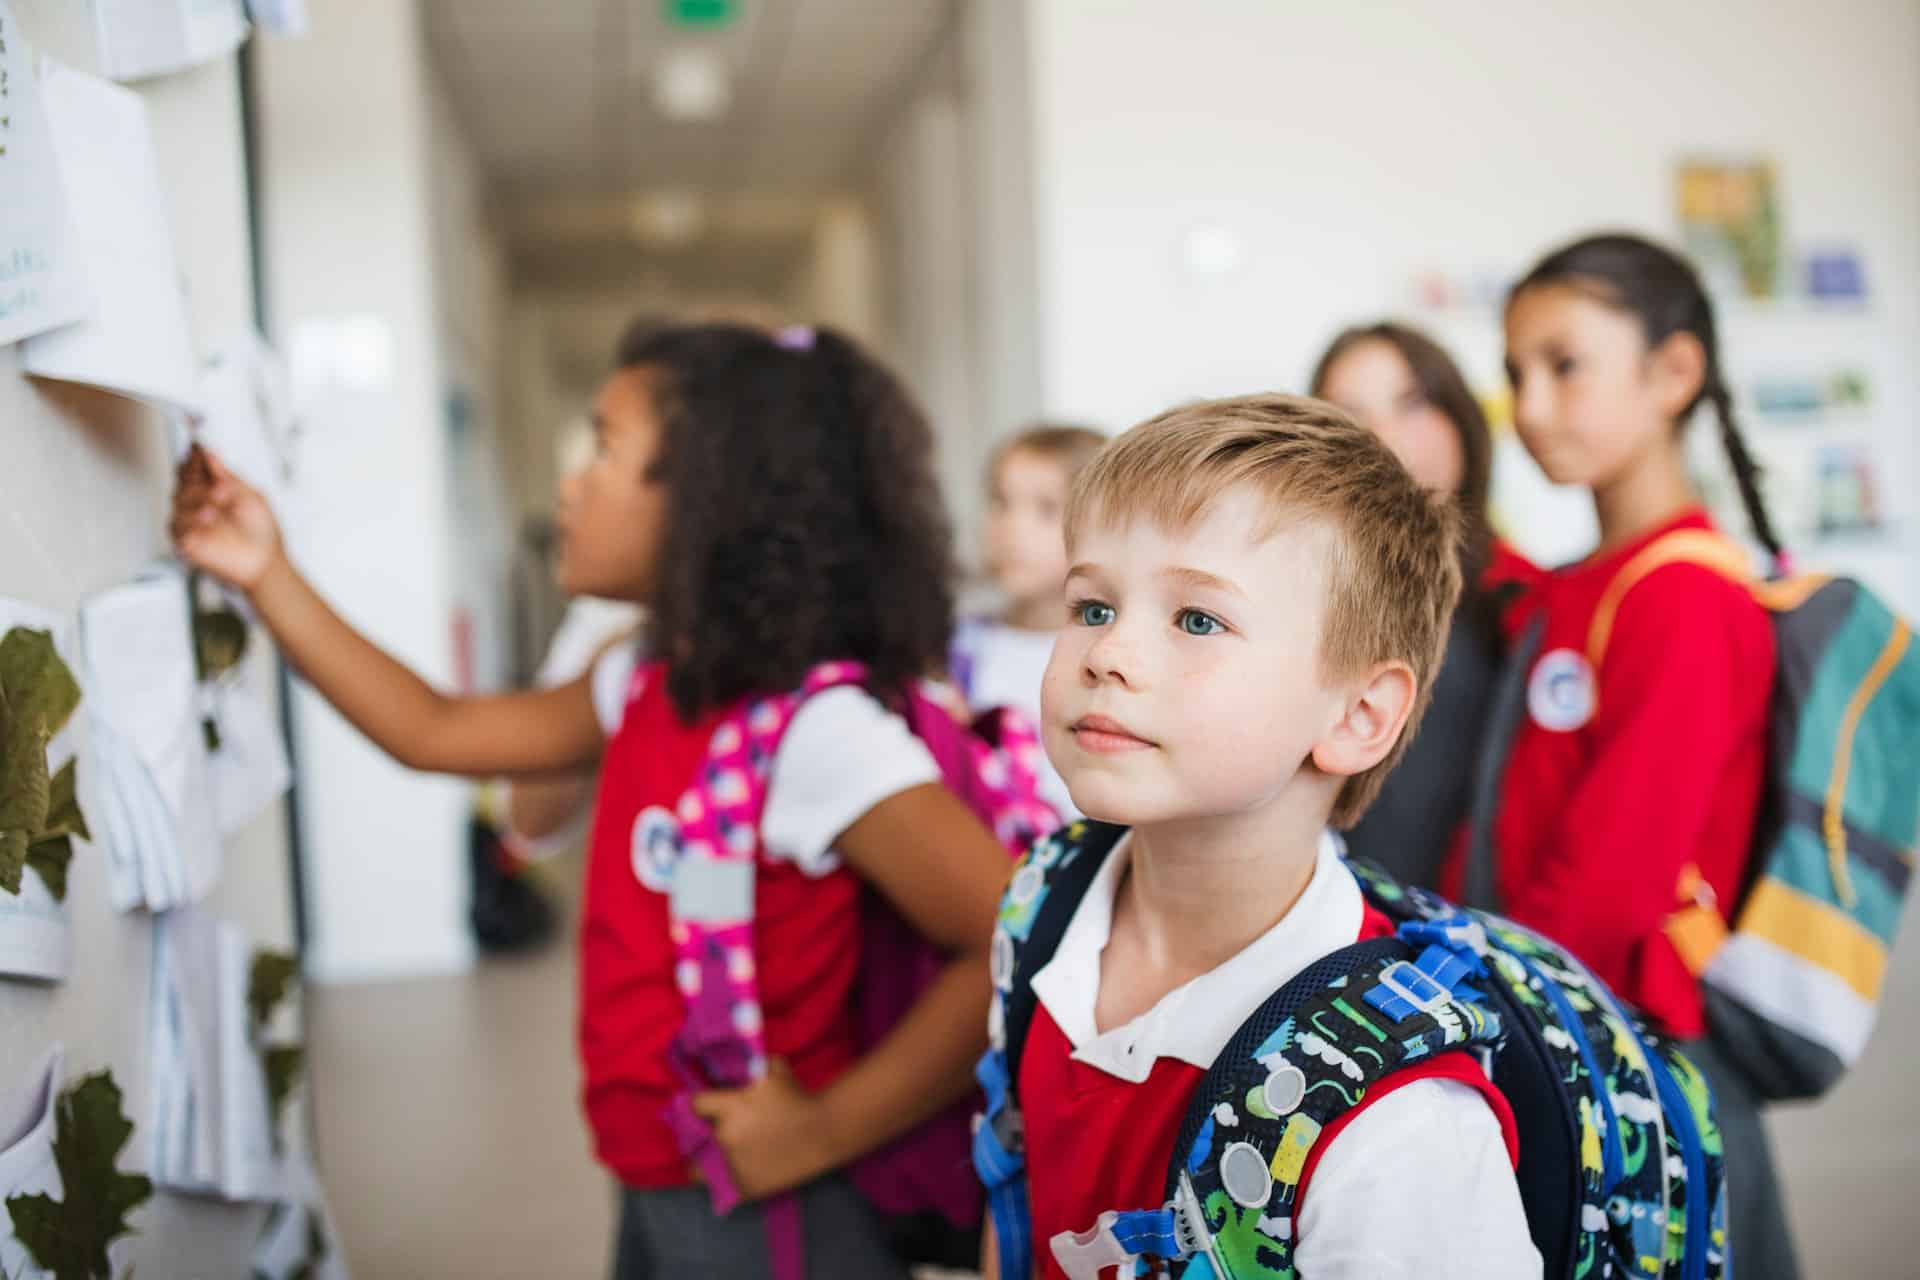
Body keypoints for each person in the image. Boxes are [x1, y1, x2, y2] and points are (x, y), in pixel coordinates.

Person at [172, 323, 1009, 1280]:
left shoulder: (819, 733)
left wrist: (819, 1130)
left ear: (709, 501)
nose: (571, 484)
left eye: (604, 450)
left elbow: (999, 937)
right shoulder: (641, 680)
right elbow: (435, 730)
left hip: (778, 1205)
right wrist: (265, 573)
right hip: (655, 1174)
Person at [987, 394, 1537, 1278]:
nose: (1107, 653)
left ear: (1360, 715)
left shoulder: (1401, 1126)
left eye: (1197, 620)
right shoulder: (1044, 903)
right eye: (1092, 606)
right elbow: (1016, 1198)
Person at [1459, 231, 1794, 1278]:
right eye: (1517, 374)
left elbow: (1613, 878)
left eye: (1565, 364)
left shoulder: (1685, 595)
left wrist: (1473, 1020)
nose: (1532, 404)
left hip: (1637, 1054)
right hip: (1565, 1024)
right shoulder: (1581, 582)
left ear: (1674, 372)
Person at [1310, 322, 1538, 886]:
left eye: (1411, 402)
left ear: (1461, 418)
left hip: (1466, 935)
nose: (1381, 432)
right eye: (1348, 409)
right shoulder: (1295, 597)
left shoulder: (1526, 597)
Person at [951, 423, 1107, 821]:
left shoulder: (1110, 652)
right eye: (1001, 503)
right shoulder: (958, 647)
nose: (1012, 529)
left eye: (1046, 509)